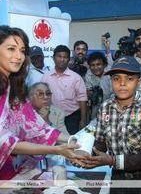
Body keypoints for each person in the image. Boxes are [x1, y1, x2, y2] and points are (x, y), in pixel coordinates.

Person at [0, 26, 84, 180]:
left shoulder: (13, 88)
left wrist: (76, 140)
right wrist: (58, 150)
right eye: (11, 49)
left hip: (8, 167)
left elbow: (37, 126)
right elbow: (5, 141)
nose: (19, 56)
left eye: (23, 51)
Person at [82, 56, 141, 194]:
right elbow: (100, 144)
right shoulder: (105, 107)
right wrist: (85, 156)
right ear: (111, 81)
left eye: (129, 79)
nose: (122, 84)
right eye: (116, 79)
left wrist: (113, 160)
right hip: (117, 179)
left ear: (139, 82)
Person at [41, 45, 88, 135]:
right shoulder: (45, 77)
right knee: (53, 142)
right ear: (54, 58)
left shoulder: (76, 78)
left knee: (71, 143)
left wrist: (83, 120)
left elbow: (82, 99)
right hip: (52, 116)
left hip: (72, 117)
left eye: (65, 57)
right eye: (59, 56)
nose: (62, 59)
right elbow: (42, 97)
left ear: (69, 59)